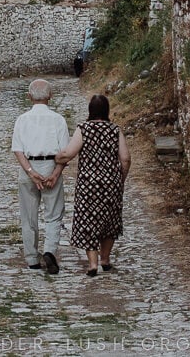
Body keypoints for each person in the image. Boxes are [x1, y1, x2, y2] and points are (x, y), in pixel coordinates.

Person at [56, 93, 131, 276]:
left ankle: (92, 264)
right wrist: (120, 179)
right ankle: (105, 259)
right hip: (111, 183)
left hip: (89, 186)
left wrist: (56, 157)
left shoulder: (84, 129)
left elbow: (69, 154)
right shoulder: (115, 130)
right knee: (109, 221)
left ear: (90, 110)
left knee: (89, 221)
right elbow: (126, 159)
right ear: (107, 110)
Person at [12, 79, 70, 274]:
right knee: (53, 213)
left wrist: (31, 172)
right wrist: (55, 173)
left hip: (29, 166)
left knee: (29, 215)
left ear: (29, 97)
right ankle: (50, 251)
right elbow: (65, 152)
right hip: (51, 163)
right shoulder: (58, 119)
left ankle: (31, 258)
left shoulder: (22, 119)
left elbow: (18, 150)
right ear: (50, 96)